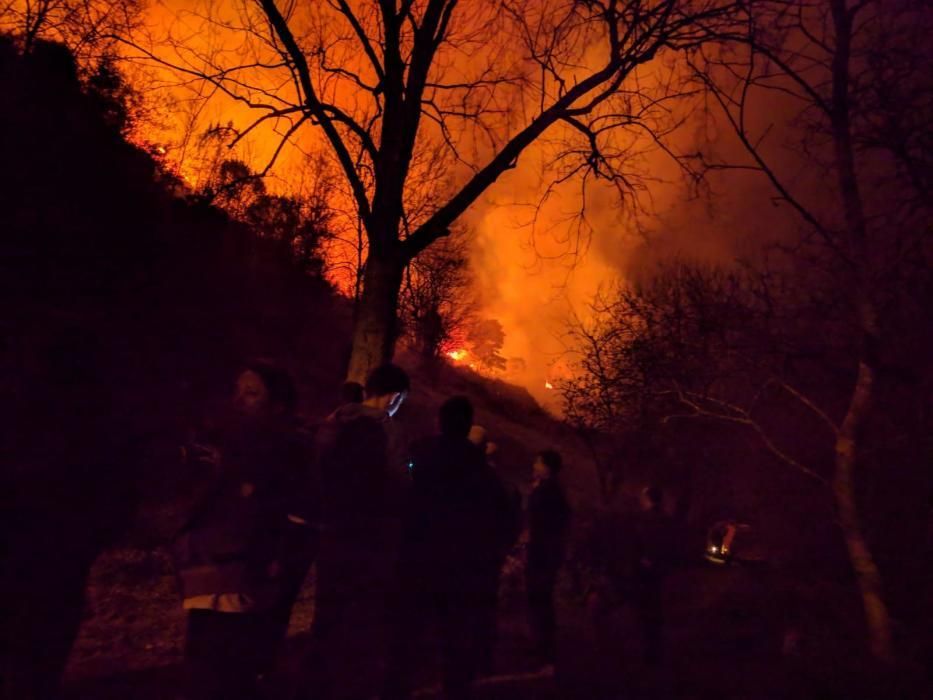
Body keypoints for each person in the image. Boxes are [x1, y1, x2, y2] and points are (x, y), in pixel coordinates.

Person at [172, 361, 315, 700]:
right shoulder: (224, 444)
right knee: (202, 662)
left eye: (251, 394)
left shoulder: (288, 448)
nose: (238, 401)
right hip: (208, 573)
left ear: (278, 405)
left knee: (228, 667)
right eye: (237, 392)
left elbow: (288, 515)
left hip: (243, 576)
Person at [383, 398, 512, 700]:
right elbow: (499, 523)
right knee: (455, 640)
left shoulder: (419, 453)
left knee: (405, 636)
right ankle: (456, 690)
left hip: (416, 560)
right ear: (468, 426)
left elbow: (398, 492)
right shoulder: (485, 473)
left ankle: (394, 689)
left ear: (439, 422)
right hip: (459, 571)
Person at [304, 363, 410, 700]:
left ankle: (312, 685)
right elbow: (399, 485)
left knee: (326, 613)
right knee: (361, 618)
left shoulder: (334, 419)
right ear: (394, 397)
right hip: (368, 536)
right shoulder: (388, 428)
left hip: (330, 528)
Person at [467, 425, 522, 675]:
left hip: (473, 553)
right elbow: (513, 524)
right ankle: (481, 658)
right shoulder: (507, 487)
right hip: (489, 554)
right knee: (483, 606)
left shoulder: (470, 478)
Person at [526, 449, 571, 667]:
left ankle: (543, 649)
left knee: (539, 598)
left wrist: (534, 492)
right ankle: (544, 646)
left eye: (538, 461)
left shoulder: (547, 491)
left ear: (547, 467)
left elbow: (536, 516)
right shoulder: (556, 490)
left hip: (542, 553)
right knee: (541, 599)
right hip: (548, 552)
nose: (534, 465)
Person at [632, 485, 677, 666]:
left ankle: (650, 651)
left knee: (648, 609)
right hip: (661, 570)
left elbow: (644, 541)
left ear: (649, 499)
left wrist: (646, 558)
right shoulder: (666, 519)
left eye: (643, 498)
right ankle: (654, 649)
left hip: (648, 570)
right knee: (655, 609)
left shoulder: (648, 520)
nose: (640, 501)